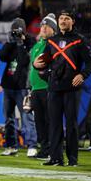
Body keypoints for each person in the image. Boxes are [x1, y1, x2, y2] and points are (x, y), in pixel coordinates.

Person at [33, 10, 91, 166]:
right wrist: (36, 65)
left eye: (66, 18)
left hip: (71, 89)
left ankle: (72, 159)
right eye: (61, 18)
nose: (63, 21)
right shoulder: (52, 41)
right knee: (54, 123)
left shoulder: (80, 41)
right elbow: (44, 62)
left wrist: (82, 75)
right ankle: (55, 158)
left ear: (72, 21)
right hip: (54, 87)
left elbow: (90, 63)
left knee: (71, 125)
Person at [0, 18, 38, 157]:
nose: (16, 32)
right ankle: (11, 145)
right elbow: (2, 56)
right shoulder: (11, 43)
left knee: (26, 117)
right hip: (9, 85)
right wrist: (10, 42)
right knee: (8, 118)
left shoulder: (30, 42)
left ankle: (32, 145)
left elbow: (25, 60)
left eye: (18, 30)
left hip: (22, 86)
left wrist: (22, 42)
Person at [29, 13, 57, 160]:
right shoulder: (37, 45)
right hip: (36, 89)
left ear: (54, 29)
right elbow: (31, 68)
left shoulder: (53, 45)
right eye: (43, 25)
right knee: (39, 121)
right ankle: (44, 149)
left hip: (47, 88)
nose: (44, 28)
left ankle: (52, 150)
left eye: (48, 26)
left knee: (49, 120)